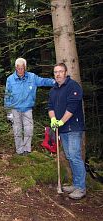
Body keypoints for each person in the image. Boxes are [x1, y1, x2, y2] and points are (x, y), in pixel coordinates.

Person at [48, 63, 86, 200]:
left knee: (75, 156)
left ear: (65, 72)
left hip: (74, 127)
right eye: (55, 72)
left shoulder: (73, 86)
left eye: (60, 71)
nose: (58, 74)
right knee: (69, 156)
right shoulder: (53, 90)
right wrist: (53, 120)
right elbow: (50, 107)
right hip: (62, 129)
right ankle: (76, 184)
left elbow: (72, 107)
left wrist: (62, 121)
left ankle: (81, 188)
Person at [4, 58, 55, 155]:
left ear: (25, 68)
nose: (20, 70)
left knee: (28, 129)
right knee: (17, 130)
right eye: (18, 68)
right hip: (15, 109)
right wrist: (8, 111)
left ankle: (27, 150)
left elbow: (43, 81)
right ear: (15, 68)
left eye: (22, 68)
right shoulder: (10, 79)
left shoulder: (32, 77)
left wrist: (54, 82)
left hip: (27, 108)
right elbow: (7, 95)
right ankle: (19, 150)